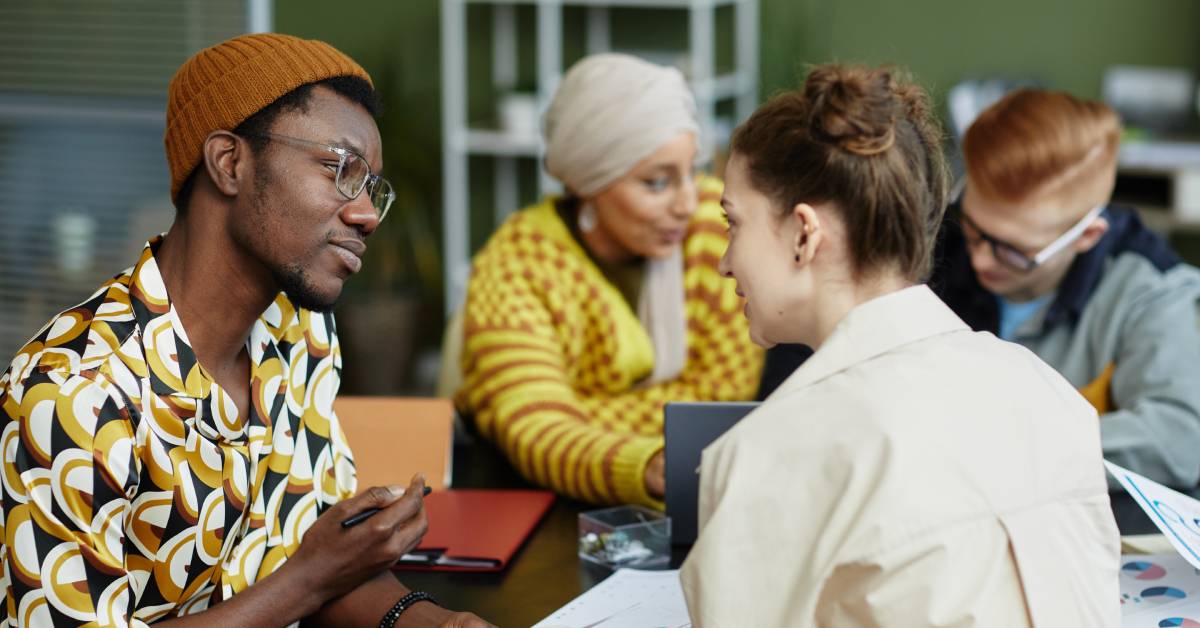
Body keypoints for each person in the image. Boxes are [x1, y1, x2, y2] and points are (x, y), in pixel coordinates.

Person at [0, 33, 489, 627]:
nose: (364, 215)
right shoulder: (71, 393)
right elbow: (312, 574)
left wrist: (442, 624)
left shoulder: (301, 334)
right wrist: (309, 576)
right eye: (340, 170)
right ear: (229, 162)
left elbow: (325, 564)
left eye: (371, 190)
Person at [680, 65, 1119, 625]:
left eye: (732, 222)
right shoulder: (1049, 392)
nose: (723, 260)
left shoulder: (772, 454)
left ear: (804, 233)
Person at [456, 54, 763, 507]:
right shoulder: (517, 265)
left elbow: (723, 398)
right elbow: (536, 433)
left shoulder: (714, 226)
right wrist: (646, 461)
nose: (686, 201)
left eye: (692, 171)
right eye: (657, 183)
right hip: (548, 507)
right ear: (589, 182)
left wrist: (573, 413)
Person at [931, 89, 1200, 489]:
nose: (982, 259)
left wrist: (1021, 445)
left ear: (1087, 236)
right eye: (975, 230)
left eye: (1014, 250)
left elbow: (1178, 441)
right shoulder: (932, 254)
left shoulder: (1150, 289)